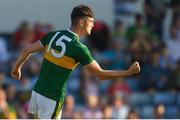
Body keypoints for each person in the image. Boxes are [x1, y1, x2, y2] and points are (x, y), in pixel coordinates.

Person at [11, 5, 141, 119]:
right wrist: (128, 72)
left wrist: (17, 68)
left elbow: (27, 50)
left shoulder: (54, 35)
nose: (93, 25)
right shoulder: (79, 48)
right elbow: (100, 74)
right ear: (81, 22)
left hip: (38, 93)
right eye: (91, 21)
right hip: (52, 98)